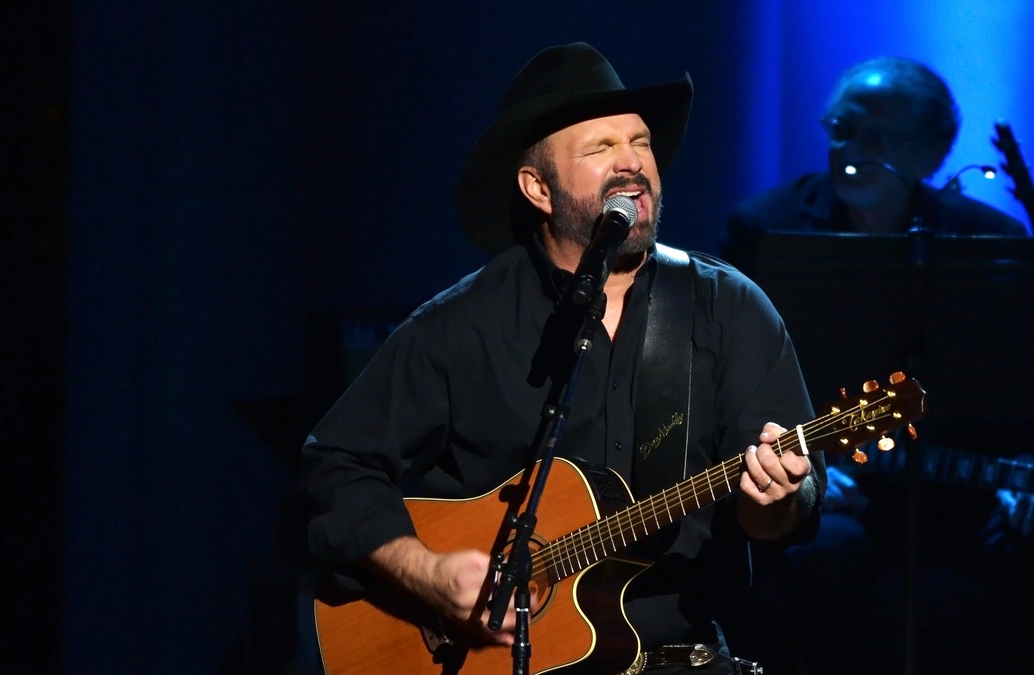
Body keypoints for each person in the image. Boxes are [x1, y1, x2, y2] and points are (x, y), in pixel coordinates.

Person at [301, 42, 830, 675]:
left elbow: (779, 525)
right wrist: (429, 574)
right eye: (600, 149)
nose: (632, 162)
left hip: (676, 654)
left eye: (640, 142)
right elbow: (337, 464)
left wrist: (776, 499)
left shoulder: (727, 308)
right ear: (537, 188)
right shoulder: (462, 323)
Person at [722, 56, 1034, 674]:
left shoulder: (990, 238)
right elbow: (731, 382)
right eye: (841, 128)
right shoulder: (766, 227)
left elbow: (1030, 398)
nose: (851, 149)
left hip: (953, 500)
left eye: (877, 137)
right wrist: (808, 479)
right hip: (834, 495)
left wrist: (1031, 469)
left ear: (933, 152)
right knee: (830, 553)